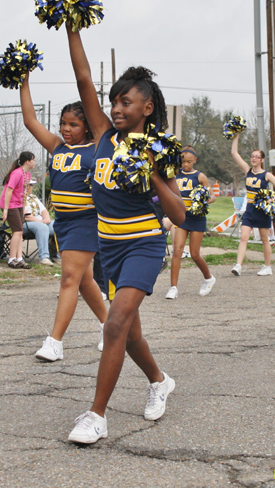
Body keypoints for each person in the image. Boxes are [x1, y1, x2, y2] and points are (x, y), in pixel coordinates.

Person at [65, 24, 186, 445]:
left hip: (144, 244)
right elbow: (83, 78)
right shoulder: (102, 135)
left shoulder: (157, 150)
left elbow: (180, 211)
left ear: (147, 107)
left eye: (126, 101)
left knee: (114, 325)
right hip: (108, 248)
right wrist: (71, 25)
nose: (116, 107)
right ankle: (158, 379)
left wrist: (151, 174)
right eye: (114, 100)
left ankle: (96, 416)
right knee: (128, 332)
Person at [19, 77, 108, 361]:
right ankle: (110, 326)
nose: (66, 129)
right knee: (83, 281)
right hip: (64, 223)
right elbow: (30, 120)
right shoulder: (57, 147)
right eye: (63, 123)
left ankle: (55, 342)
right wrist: (24, 82)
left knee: (69, 277)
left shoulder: (96, 149)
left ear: (87, 126)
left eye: (74, 125)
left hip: (86, 221)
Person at [165, 146, 217, 300]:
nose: (186, 164)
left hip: (197, 218)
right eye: (183, 161)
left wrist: (202, 202)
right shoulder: (175, 175)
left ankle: (208, 278)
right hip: (182, 217)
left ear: (195, 160)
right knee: (177, 251)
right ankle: (173, 287)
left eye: (189, 161)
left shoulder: (200, 176)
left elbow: (212, 196)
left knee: (195, 254)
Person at [230, 139, 275, 276]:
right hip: (249, 209)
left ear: (262, 160)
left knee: (264, 239)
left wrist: (272, 198)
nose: (254, 158)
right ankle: (238, 265)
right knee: (244, 237)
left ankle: (267, 266)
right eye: (252, 156)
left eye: (257, 157)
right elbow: (234, 153)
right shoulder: (247, 171)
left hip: (261, 210)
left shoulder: (266, 175)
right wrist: (236, 136)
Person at [0, 151, 35, 269]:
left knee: (19, 232)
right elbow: (9, 190)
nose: (34, 162)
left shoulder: (27, 175)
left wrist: (23, 208)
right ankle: (12, 259)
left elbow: (24, 194)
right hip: (10, 204)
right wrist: (5, 209)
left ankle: (19, 259)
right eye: (33, 160)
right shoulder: (17, 173)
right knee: (18, 231)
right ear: (27, 162)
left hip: (19, 205)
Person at [23, 179, 55, 266]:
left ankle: (59, 255)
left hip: (41, 222)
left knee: (58, 225)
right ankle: (44, 257)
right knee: (42, 227)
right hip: (26, 224)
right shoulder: (20, 197)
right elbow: (26, 216)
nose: (32, 187)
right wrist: (41, 222)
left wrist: (47, 219)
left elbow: (44, 211)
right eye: (30, 185)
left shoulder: (33, 197)